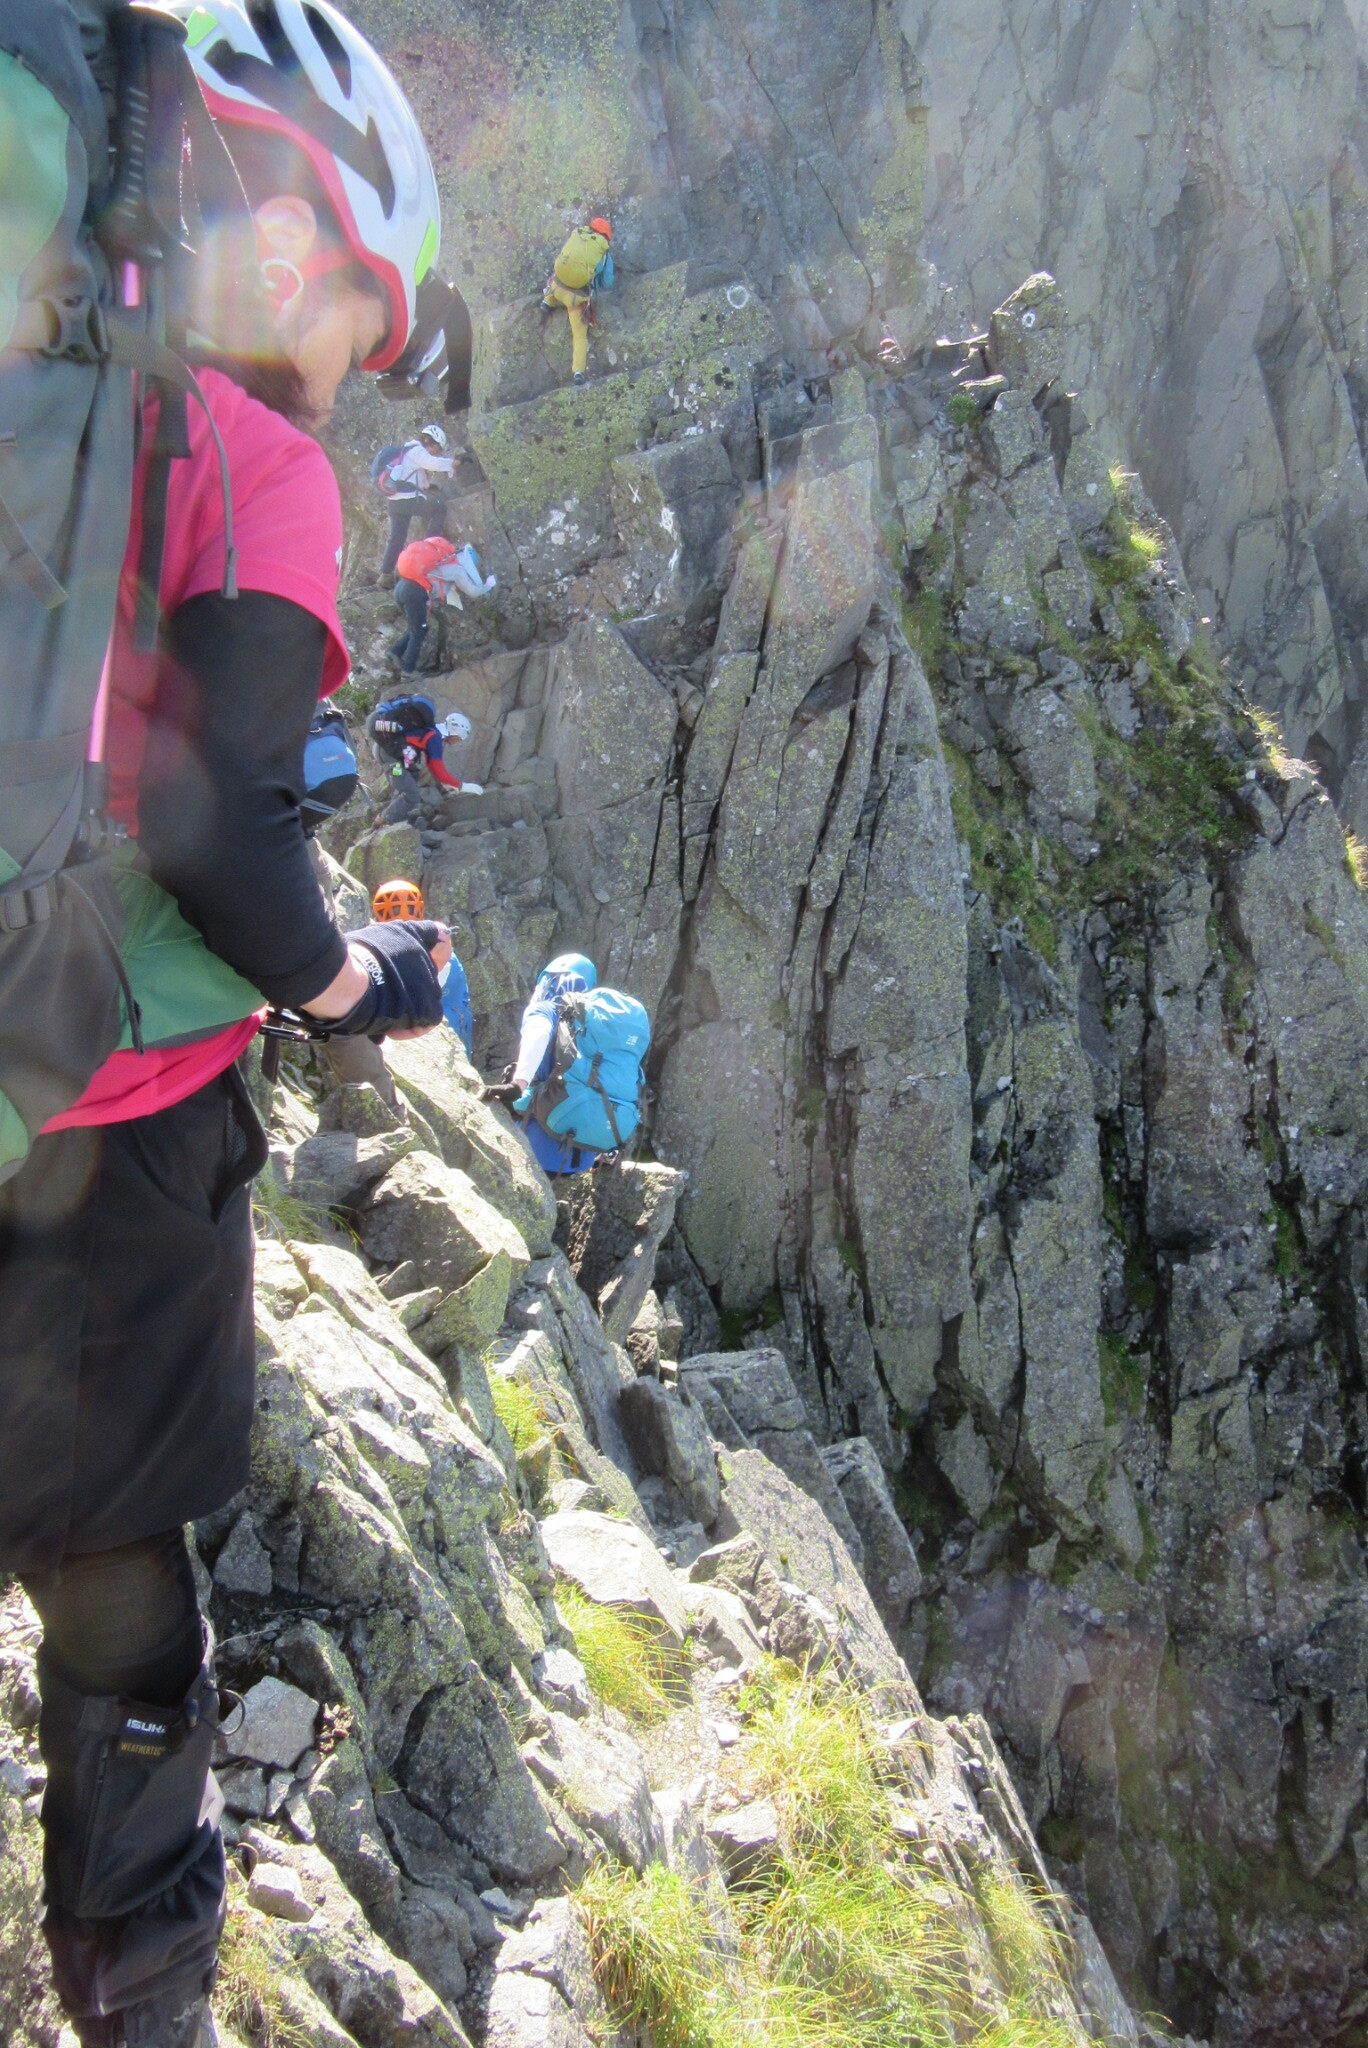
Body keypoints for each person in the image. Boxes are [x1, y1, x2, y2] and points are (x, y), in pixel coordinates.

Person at [0, 6, 459, 2043]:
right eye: (374, 309)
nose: (367, 361)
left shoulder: (56, 389)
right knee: (116, 1586)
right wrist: (368, 985)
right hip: (114, 1126)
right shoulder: (255, 461)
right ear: (288, 244)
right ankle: (143, 1995)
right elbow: (228, 843)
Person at [368, 696, 484, 823]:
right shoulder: (434, 738)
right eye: (459, 739)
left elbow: (432, 767)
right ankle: (382, 821)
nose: (457, 742)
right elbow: (439, 773)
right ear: (456, 732)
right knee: (412, 794)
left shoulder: (431, 731)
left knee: (411, 777)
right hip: (390, 757)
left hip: (386, 751)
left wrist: (450, 785)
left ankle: (396, 817)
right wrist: (462, 786)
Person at [375, 423, 454, 586]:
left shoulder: (407, 450)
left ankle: (386, 575)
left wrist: (428, 487)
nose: (436, 452)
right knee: (439, 508)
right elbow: (433, 464)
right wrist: (453, 463)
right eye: (437, 448)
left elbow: (422, 481)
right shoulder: (417, 450)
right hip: (407, 499)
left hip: (394, 502)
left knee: (397, 537)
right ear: (430, 441)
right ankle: (430, 549)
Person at [542, 217, 614, 384]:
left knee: (557, 278)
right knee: (579, 336)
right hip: (575, 299)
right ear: (607, 237)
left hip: (556, 287)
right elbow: (607, 282)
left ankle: (547, 302)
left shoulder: (578, 235)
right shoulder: (603, 254)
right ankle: (578, 372)